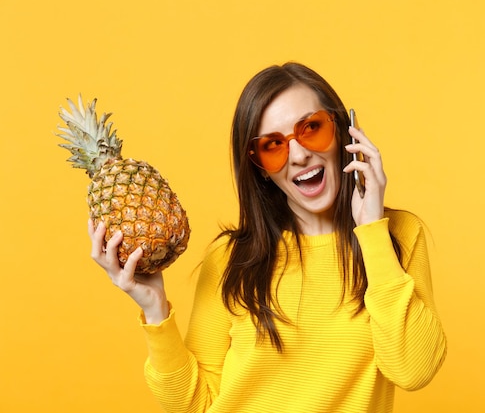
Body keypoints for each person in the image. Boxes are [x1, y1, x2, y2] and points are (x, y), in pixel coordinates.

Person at [88, 62, 447, 413]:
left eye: (311, 128)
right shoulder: (231, 258)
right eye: (273, 146)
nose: (299, 154)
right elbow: (194, 404)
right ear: (259, 167)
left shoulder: (396, 236)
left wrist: (370, 231)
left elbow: (413, 370)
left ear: (344, 133)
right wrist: (154, 310)